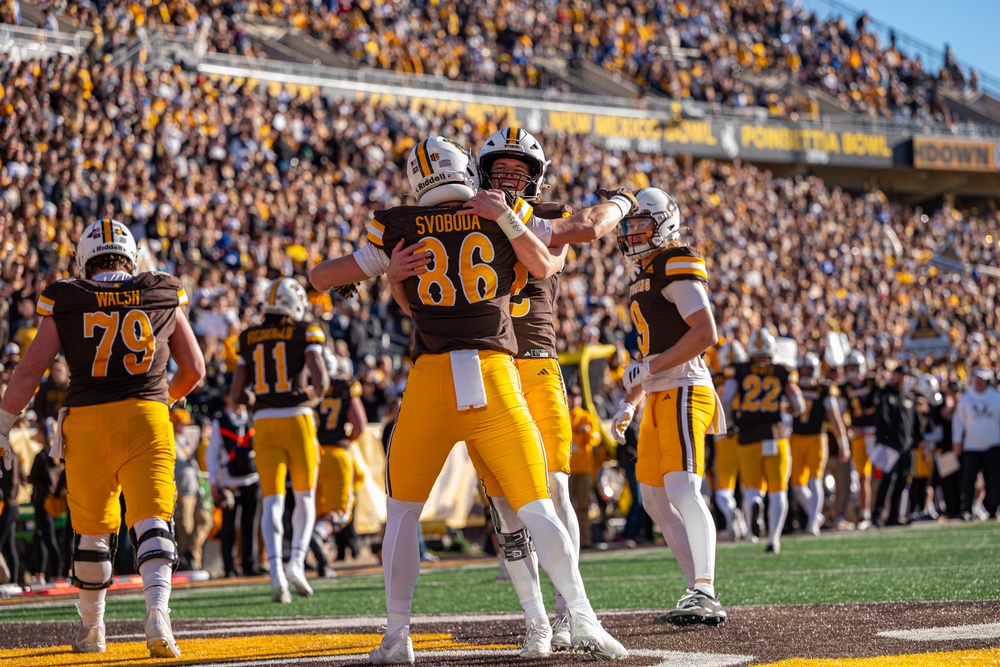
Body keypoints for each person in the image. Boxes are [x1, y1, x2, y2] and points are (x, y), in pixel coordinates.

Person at [310, 136, 628, 664]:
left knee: (403, 514)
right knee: (538, 505)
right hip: (494, 373)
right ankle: (583, 617)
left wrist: (383, 273)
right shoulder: (504, 211)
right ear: (470, 170)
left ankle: (396, 635)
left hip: (431, 380)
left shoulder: (397, 225)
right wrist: (509, 220)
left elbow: (321, 277)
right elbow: (549, 264)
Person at [0, 218, 205, 657]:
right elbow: (195, 370)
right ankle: (159, 617)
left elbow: (33, 368)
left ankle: (93, 629)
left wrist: (3, 423)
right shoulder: (161, 289)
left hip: (88, 421)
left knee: (92, 531)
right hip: (147, 416)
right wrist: (161, 399)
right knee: (152, 519)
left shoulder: (68, 296)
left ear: (84, 259)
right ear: (131, 257)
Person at [472, 127, 630, 653]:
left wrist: (621, 202)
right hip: (487, 364)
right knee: (506, 504)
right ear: (483, 172)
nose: (510, 180)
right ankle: (536, 620)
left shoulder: (541, 220)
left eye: (521, 172)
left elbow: (577, 233)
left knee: (558, 488)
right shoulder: (461, 217)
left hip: (536, 361)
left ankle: (568, 613)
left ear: (535, 180)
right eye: (502, 171)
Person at [610, 187, 728, 627]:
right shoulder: (644, 273)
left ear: (664, 223)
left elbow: (704, 333)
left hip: (684, 388)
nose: (632, 234)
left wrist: (649, 370)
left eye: (641, 225)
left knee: (681, 490)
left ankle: (705, 589)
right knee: (655, 500)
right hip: (660, 392)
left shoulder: (676, 260)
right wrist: (631, 401)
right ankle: (694, 591)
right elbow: (652, 352)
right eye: (629, 227)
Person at [228, 277, 329, 603]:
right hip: (298, 419)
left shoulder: (249, 337)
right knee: (305, 497)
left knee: (272, 500)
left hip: (265, 423)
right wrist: (311, 398)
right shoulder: (305, 331)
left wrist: (258, 397)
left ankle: (275, 573)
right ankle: (296, 563)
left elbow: (236, 394)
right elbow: (321, 378)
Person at [723, 328, 806, 556]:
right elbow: (799, 405)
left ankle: (755, 506)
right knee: (778, 490)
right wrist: (786, 410)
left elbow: (727, 399)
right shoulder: (782, 371)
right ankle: (774, 538)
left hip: (748, 435)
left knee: (752, 488)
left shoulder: (739, 370)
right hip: (775, 434)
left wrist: (730, 423)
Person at [311, 347, 367, 577]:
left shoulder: (307, 386)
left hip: (312, 456)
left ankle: (323, 563)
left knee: (313, 512)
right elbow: (359, 426)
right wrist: (346, 441)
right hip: (337, 456)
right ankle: (320, 536)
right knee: (338, 513)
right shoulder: (344, 386)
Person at [790, 352, 850, 535]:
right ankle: (815, 515)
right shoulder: (793, 386)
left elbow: (835, 418)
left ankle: (812, 523)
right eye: (803, 370)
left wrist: (843, 443)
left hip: (816, 439)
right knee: (797, 485)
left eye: (809, 370)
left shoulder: (824, 389)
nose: (805, 373)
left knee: (815, 479)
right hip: (795, 439)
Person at [207, 394, 260, 578]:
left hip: (252, 478)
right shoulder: (220, 422)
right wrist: (214, 482)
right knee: (230, 526)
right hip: (229, 481)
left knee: (250, 524)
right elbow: (212, 454)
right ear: (227, 398)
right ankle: (229, 567)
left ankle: (249, 563)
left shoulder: (252, 417)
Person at [870, 365, 924, 526]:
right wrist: (878, 385)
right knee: (887, 482)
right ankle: (877, 515)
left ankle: (895, 516)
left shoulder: (908, 397)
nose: (901, 378)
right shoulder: (885, 394)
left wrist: (917, 443)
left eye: (904, 376)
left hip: (906, 449)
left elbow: (916, 424)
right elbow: (873, 405)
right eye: (898, 375)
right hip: (888, 447)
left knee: (902, 482)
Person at [710, 339, 749, 542]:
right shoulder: (747, 378)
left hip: (722, 437)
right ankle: (749, 527)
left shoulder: (713, 379)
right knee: (749, 486)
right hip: (745, 436)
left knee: (723, 490)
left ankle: (733, 513)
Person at [952, 367, 1000, 521]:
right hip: (971, 445)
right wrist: (957, 439)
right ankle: (966, 509)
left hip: (992, 444)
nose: (978, 382)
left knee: (993, 479)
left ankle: (993, 509)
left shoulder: (996, 397)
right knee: (969, 479)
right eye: (977, 379)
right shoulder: (966, 397)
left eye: (981, 379)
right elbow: (958, 420)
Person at [841, 350, 877, 530]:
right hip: (859, 438)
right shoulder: (843, 388)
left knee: (884, 475)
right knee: (863, 477)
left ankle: (884, 511)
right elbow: (840, 415)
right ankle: (866, 513)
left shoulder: (873, 383)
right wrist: (849, 427)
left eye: (854, 367)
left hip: (878, 437)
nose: (851, 370)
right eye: (849, 367)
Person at [172, 408, 212, 571]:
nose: (182, 427)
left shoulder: (187, 439)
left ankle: (192, 556)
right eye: (179, 424)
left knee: (205, 521)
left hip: (196, 487)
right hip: (181, 490)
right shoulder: (168, 439)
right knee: (184, 529)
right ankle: (188, 562)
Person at [29, 436, 67, 584]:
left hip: (42, 501)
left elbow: (32, 478)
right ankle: (44, 573)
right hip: (53, 501)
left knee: (46, 538)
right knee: (43, 537)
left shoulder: (42, 455)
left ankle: (55, 573)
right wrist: (56, 493)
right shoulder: (59, 455)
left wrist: (43, 490)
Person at [568, 387, 601, 550]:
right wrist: (579, 435)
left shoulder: (586, 416)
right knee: (566, 507)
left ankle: (584, 539)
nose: (574, 400)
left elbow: (594, 438)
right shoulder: (563, 415)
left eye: (576, 397)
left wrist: (578, 435)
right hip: (565, 469)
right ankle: (568, 541)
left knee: (583, 507)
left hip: (583, 468)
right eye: (571, 397)